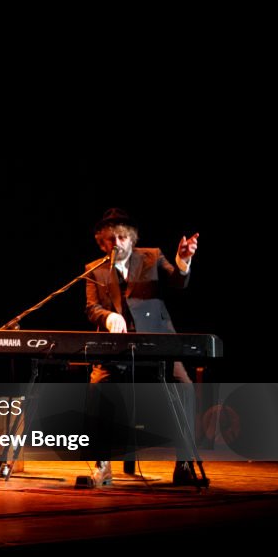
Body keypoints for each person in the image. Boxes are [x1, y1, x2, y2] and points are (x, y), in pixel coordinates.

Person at [84, 207, 200, 485]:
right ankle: (102, 464)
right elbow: (91, 308)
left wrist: (183, 261)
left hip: (156, 344)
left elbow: (177, 281)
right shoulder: (94, 269)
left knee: (184, 388)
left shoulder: (151, 256)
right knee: (97, 387)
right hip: (116, 350)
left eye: (123, 237)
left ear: (132, 238)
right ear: (103, 242)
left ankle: (183, 464)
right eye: (111, 239)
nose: (118, 243)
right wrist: (109, 315)